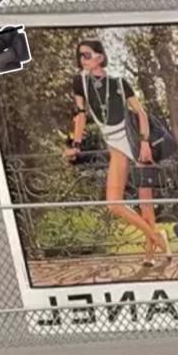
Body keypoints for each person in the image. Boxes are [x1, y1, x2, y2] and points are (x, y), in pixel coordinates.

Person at [64, 39, 169, 267]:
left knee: (146, 204)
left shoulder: (120, 83)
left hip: (136, 144)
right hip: (116, 147)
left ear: (100, 57)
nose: (82, 59)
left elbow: (141, 113)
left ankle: (150, 254)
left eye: (87, 55)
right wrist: (76, 144)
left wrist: (144, 142)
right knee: (113, 204)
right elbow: (80, 114)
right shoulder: (80, 82)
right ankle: (157, 236)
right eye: (80, 56)